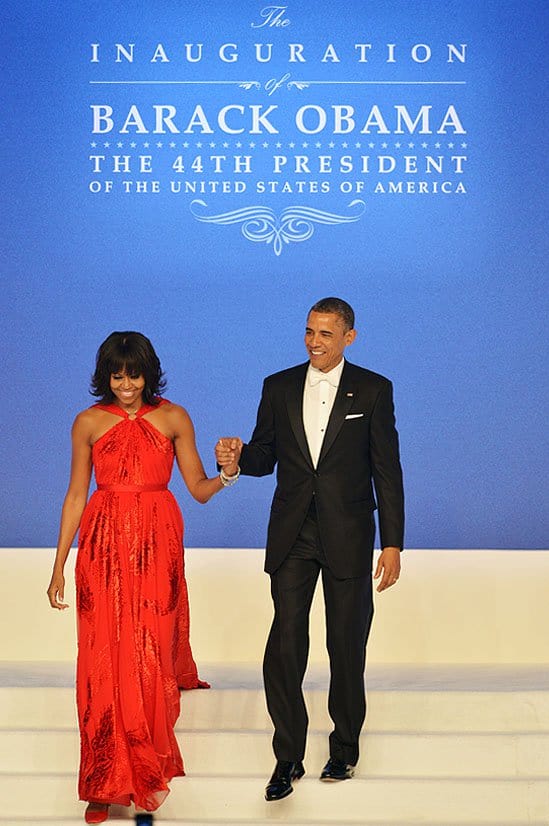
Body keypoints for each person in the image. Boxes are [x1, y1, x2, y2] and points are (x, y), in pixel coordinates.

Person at [216, 297, 404, 801]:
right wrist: (236, 462)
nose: (314, 342)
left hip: (349, 534)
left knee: (346, 647)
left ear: (349, 337)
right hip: (293, 534)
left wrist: (392, 543)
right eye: (308, 332)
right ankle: (288, 758)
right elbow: (265, 455)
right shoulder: (277, 386)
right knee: (284, 648)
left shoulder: (374, 389)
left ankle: (343, 750)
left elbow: (387, 470)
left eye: (324, 334)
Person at [47, 332, 239, 824]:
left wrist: (228, 473)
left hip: (157, 544)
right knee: (101, 660)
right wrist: (59, 565)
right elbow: (74, 496)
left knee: (149, 651)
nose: (127, 385)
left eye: (134, 374)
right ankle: (102, 779)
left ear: (148, 373)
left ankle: (146, 767)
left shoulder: (174, 418)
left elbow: (197, 489)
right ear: (105, 376)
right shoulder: (88, 423)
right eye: (117, 375)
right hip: (103, 546)